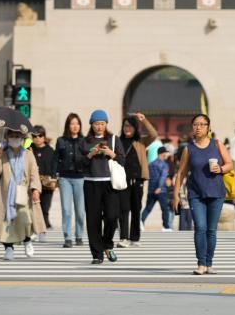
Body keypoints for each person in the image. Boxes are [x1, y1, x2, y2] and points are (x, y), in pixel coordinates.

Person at [175, 113, 233, 275]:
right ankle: (201, 263)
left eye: (202, 124)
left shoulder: (217, 144)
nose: (198, 127)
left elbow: (230, 164)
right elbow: (180, 173)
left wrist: (220, 169)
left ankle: (209, 263)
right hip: (195, 193)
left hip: (216, 193)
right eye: (195, 124)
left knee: (211, 230)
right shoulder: (189, 149)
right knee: (200, 227)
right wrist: (175, 195)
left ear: (208, 127)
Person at [0, 129, 44, 260]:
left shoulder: (28, 154)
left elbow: (34, 173)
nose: (14, 138)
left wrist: (35, 189)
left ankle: (27, 241)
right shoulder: (3, 154)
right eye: (12, 136)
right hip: (5, 193)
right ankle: (8, 248)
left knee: (25, 220)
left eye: (17, 136)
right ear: (7, 138)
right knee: (7, 223)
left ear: (22, 138)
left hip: (23, 192)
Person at [82, 109, 123, 265]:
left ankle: (107, 244)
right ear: (91, 124)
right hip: (91, 183)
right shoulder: (85, 141)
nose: (99, 126)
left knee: (112, 217)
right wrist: (91, 154)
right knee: (93, 221)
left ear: (106, 124)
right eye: (96, 123)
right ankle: (97, 254)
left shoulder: (113, 139)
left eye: (102, 123)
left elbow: (122, 160)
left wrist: (111, 154)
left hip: (109, 183)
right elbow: (80, 164)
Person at [116, 113, 158, 248]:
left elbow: (154, 134)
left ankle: (134, 238)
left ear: (135, 128)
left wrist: (144, 120)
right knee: (123, 209)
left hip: (137, 180)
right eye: (125, 126)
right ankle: (123, 237)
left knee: (136, 208)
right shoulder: (117, 141)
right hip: (122, 181)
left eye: (130, 126)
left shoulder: (141, 141)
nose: (127, 128)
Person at [55, 113, 86, 248]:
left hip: (80, 178)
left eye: (77, 123)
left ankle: (79, 235)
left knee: (80, 210)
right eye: (72, 123)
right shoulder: (61, 140)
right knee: (66, 209)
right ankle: (67, 237)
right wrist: (53, 174)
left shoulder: (84, 141)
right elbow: (56, 158)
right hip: (65, 178)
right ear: (68, 125)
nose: (75, 126)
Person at [29, 125, 56, 241]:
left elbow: (54, 167)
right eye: (34, 136)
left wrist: (51, 178)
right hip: (34, 184)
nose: (37, 138)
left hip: (46, 184)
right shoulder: (29, 149)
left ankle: (43, 231)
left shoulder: (50, 151)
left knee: (44, 208)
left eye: (40, 136)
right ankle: (34, 230)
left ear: (44, 137)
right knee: (34, 208)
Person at [142, 147, 173, 231]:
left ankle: (141, 222)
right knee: (165, 209)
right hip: (161, 190)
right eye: (166, 153)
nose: (167, 155)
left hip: (151, 190)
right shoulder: (164, 165)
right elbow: (163, 177)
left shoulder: (151, 164)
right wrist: (159, 187)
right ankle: (166, 227)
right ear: (162, 153)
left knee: (148, 208)